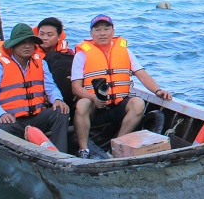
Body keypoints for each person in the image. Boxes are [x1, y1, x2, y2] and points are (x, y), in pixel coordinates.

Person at [71, 15, 171, 159]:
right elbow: (76, 88)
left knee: (137, 103)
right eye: (98, 30)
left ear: (113, 31)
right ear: (91, 34)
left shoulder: (125, 51)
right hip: (94, 106)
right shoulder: (82, 55)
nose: (102, 33)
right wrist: (93, 98)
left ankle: (116, 146)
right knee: (82, 104)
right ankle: (84, 149)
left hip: (117, 105)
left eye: (106, 29)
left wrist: (158, 90)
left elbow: (142, 74)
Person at [0, 23, 70, 152]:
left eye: (31, 43)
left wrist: (58, 99)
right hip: (13, 120)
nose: (27, 46)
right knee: (4, 126)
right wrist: (1, 114)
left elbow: (51, 87)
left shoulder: (41, 63)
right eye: (22, 43)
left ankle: (61, 154)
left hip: (37, 117)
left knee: (61, 111)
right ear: (13, 46)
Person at [35, 17, 76, 107]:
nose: (44, 38)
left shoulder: (68, 54)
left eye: (49, 35)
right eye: (41, 34)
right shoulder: (30, 53)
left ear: (59, 37)